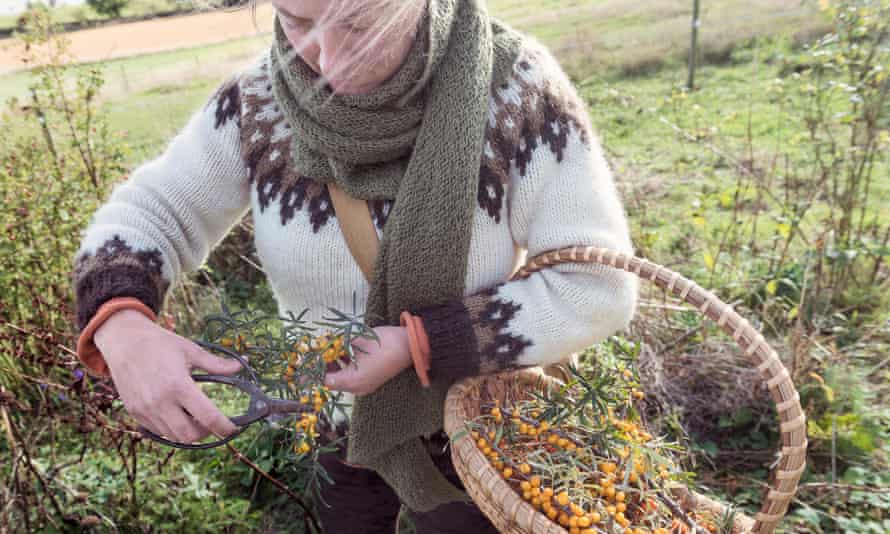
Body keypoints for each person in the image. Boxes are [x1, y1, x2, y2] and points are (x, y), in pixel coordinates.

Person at [70, 0, 638, 531]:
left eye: (362, 27)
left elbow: (597, 286)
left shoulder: (516, 92)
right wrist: (123, 324)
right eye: (296, 21)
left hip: (485, 440)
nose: (328, 64)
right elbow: (151, 213)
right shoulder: (256, 104)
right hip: (336, 438)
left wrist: (423, 346)